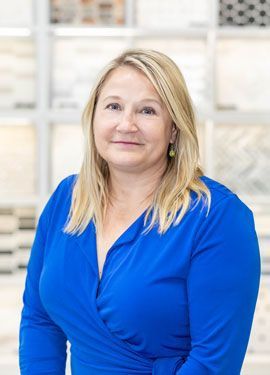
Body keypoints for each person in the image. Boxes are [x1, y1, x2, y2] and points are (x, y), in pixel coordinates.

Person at [19, 48, 261, 375]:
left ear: (174, 128)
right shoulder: (68, 199)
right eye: (113, 106)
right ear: (93, 118)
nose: (126, 124)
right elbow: (40, 320)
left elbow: (212, 363)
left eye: (147, 111)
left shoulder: (217, 218)